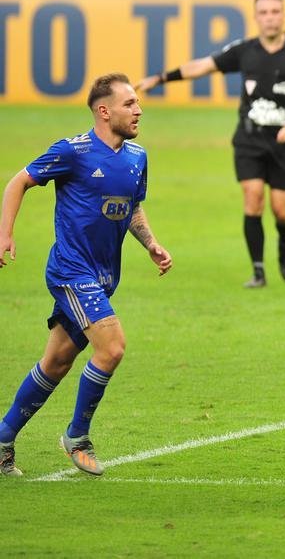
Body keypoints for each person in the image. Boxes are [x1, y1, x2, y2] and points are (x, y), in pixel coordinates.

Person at [0, 74, 172, 477]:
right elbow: (19, 181)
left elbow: (131, 207)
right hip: (70, 271)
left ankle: (3, 439)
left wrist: (150, 244)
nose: (139, 110)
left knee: (56, 362)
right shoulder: (73, 152)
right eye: (129, 103)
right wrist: (5, 234)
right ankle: (77, 436)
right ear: (104, 110)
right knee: (112, 348)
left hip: (104, 277)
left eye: (137, 103)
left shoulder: (137, 157)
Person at [137, 0, 285, 289]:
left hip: (284, 143)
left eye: (275, 11)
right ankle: (258, 271)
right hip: (248, 140)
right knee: (253, 198)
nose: (270, 17)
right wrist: (160, 78)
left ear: (284, 15)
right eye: (264, 12)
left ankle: (284, 242)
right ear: (256, 17)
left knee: (283, 211)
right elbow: (203, 66)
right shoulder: (245, 50)